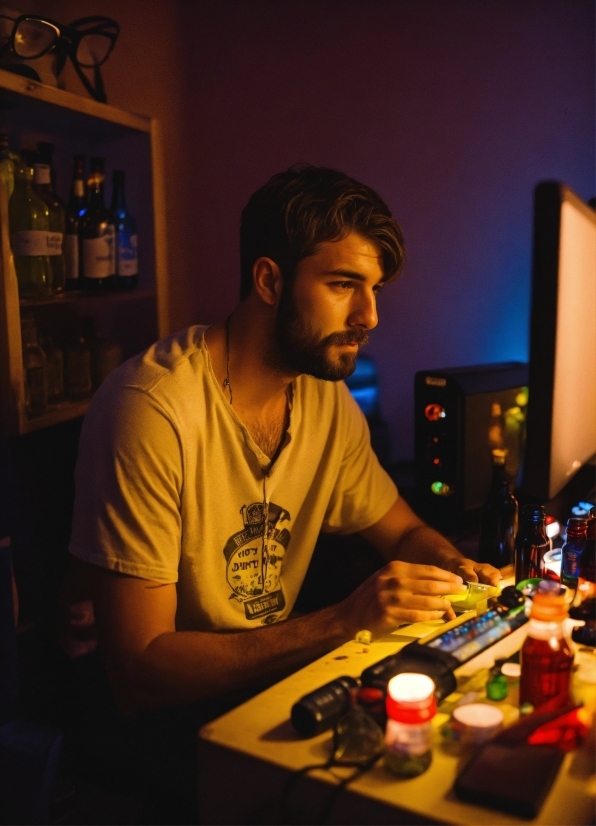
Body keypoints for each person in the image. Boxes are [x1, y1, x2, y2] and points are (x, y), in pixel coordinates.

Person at [68, 165, 501, 719]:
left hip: (265, 688)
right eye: (343, 285)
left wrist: (456, 568)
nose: (369, 316)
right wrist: (345, 620)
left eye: (375, 290)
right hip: (168, 717)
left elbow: (406, 532)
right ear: (270, 281)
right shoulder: (152, 408)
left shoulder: (324, 399)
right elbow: (141, 670)